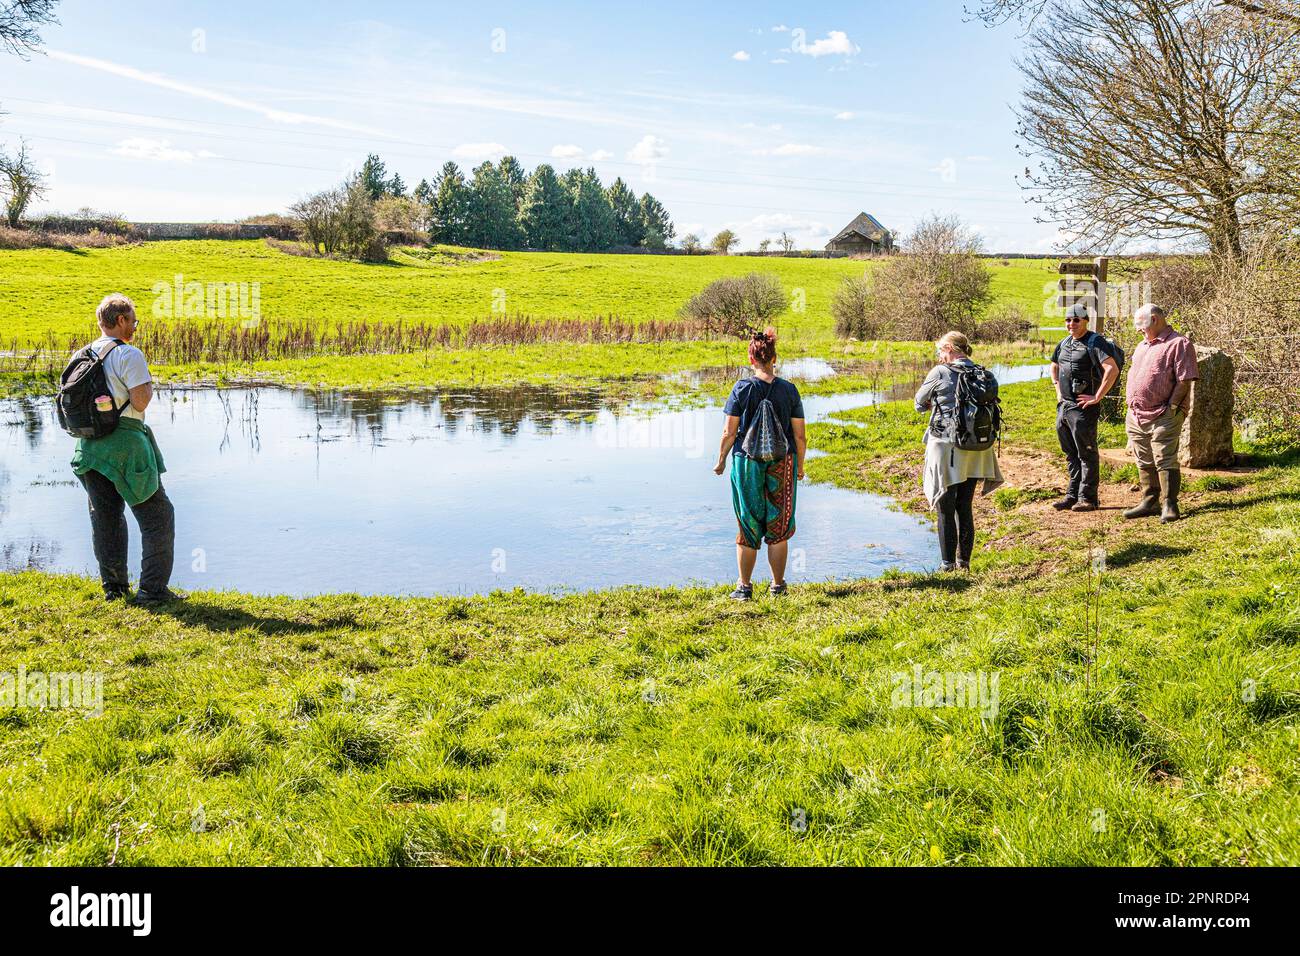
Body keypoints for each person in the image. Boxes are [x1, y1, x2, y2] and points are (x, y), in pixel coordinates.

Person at [69, 294, 182, 605]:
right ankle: (152, 591)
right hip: (125, 445)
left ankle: (115, 590)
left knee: (105, 517)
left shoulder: (81, 353)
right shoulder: (128, 354)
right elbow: (141, 401)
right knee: (158, 516)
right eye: (132, 321)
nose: (134, 326)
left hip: (88, 447)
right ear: (119, 321)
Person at [713, 327, 807, 601]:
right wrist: (800, 466)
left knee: (748, 522)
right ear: (774, 358)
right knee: (778, 526)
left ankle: (744, 587)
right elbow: (799, 435)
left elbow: (729, 433)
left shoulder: (741, 389)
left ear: (751, 359)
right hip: (783, 461)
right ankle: (778, 586)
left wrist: (720, 461)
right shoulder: (789, 390)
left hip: (747, 464)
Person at [914, 331, 1004, 572]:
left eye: (941, 351)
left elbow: (918, 403)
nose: (940, 356)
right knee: (965, 505)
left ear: (951, 349)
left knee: (945, 507)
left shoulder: (939, 372)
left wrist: (936, 402)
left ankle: (947, 565)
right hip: (978, 446)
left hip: (947, 446)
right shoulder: (984, 373)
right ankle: (964, 563)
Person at [1123, 303, 1199, 523]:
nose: (1138, 329)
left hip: (1164, 414)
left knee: (1165, 459)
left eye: (1140, 324)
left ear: (1154, 319)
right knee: (1143, 457)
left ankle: (1170, 503)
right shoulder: (1142, 346)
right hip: (1137, 415)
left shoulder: (1179, 343)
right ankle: (1150, 500)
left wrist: (1173, 407)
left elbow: (1185, 379)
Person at [1050, 302, 1120, 511]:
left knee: (1086, 453)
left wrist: (1097, 397)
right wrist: (1058, 390)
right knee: (1070, 453)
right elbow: (1054, 365)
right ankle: (1072, 496)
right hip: (1064, 407)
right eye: (1068, 320)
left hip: (1083, 409)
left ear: (1085, 321)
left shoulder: (1095, 342)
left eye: (1076, 320)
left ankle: (1088, 498)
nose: (1071, 324)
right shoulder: (1064, 342)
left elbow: (1112, 369)